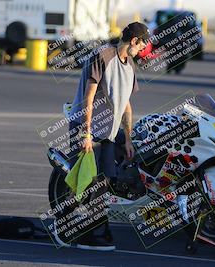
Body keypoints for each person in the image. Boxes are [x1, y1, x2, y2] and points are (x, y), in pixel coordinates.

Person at [53, 22, 149, 251]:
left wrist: (127, 138)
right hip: (88, 129)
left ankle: (94, 230)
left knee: (104, 182)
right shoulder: (103, 56)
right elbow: (89, 96)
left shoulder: (130, 65)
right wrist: (86, 134)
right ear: (134, 40)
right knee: (86, 181)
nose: (144, 49)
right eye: (143, 43)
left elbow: (126, 105)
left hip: (109, 132)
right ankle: (63, 226)